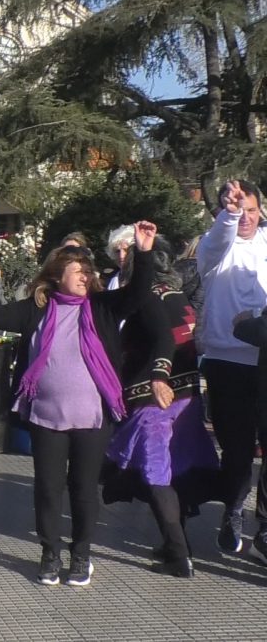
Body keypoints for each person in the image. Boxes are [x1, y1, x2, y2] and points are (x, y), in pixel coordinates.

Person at [0, 220, 157, 587]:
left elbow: (138, 294)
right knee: (47, 486)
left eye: (87, 271)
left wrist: (144, 251)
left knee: (83, 486)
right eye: (77, 270)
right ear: (58, 275)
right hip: (46, 416)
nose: (84, 276)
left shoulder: (103, 307)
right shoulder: (37, 309)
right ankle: (49, 552)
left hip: (92, 417)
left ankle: (81, 554)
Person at [102, 237, 220, 578]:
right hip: (185, 394)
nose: (122, 258)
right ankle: (174, 544)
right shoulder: (175, 294)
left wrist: (157, 375)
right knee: (175, 468)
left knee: (156, 472)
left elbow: (163, 338)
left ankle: (180, 555)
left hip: (154, 395)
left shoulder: (147, 295)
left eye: (129, 253)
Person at [198, 180, 267, 556]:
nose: (247, 218)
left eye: (252, 211)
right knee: (238, 448)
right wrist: (231, 211)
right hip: (227, 361)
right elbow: (221, 235)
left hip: (265, 358)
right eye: (242, 211)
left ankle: (265, 527)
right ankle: (233, 509)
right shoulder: (214, 248)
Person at [105, 224, 135, 290]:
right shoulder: (107, 279)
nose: (121, 255)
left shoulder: (151, 278)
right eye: (118, 251)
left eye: (126, 250)